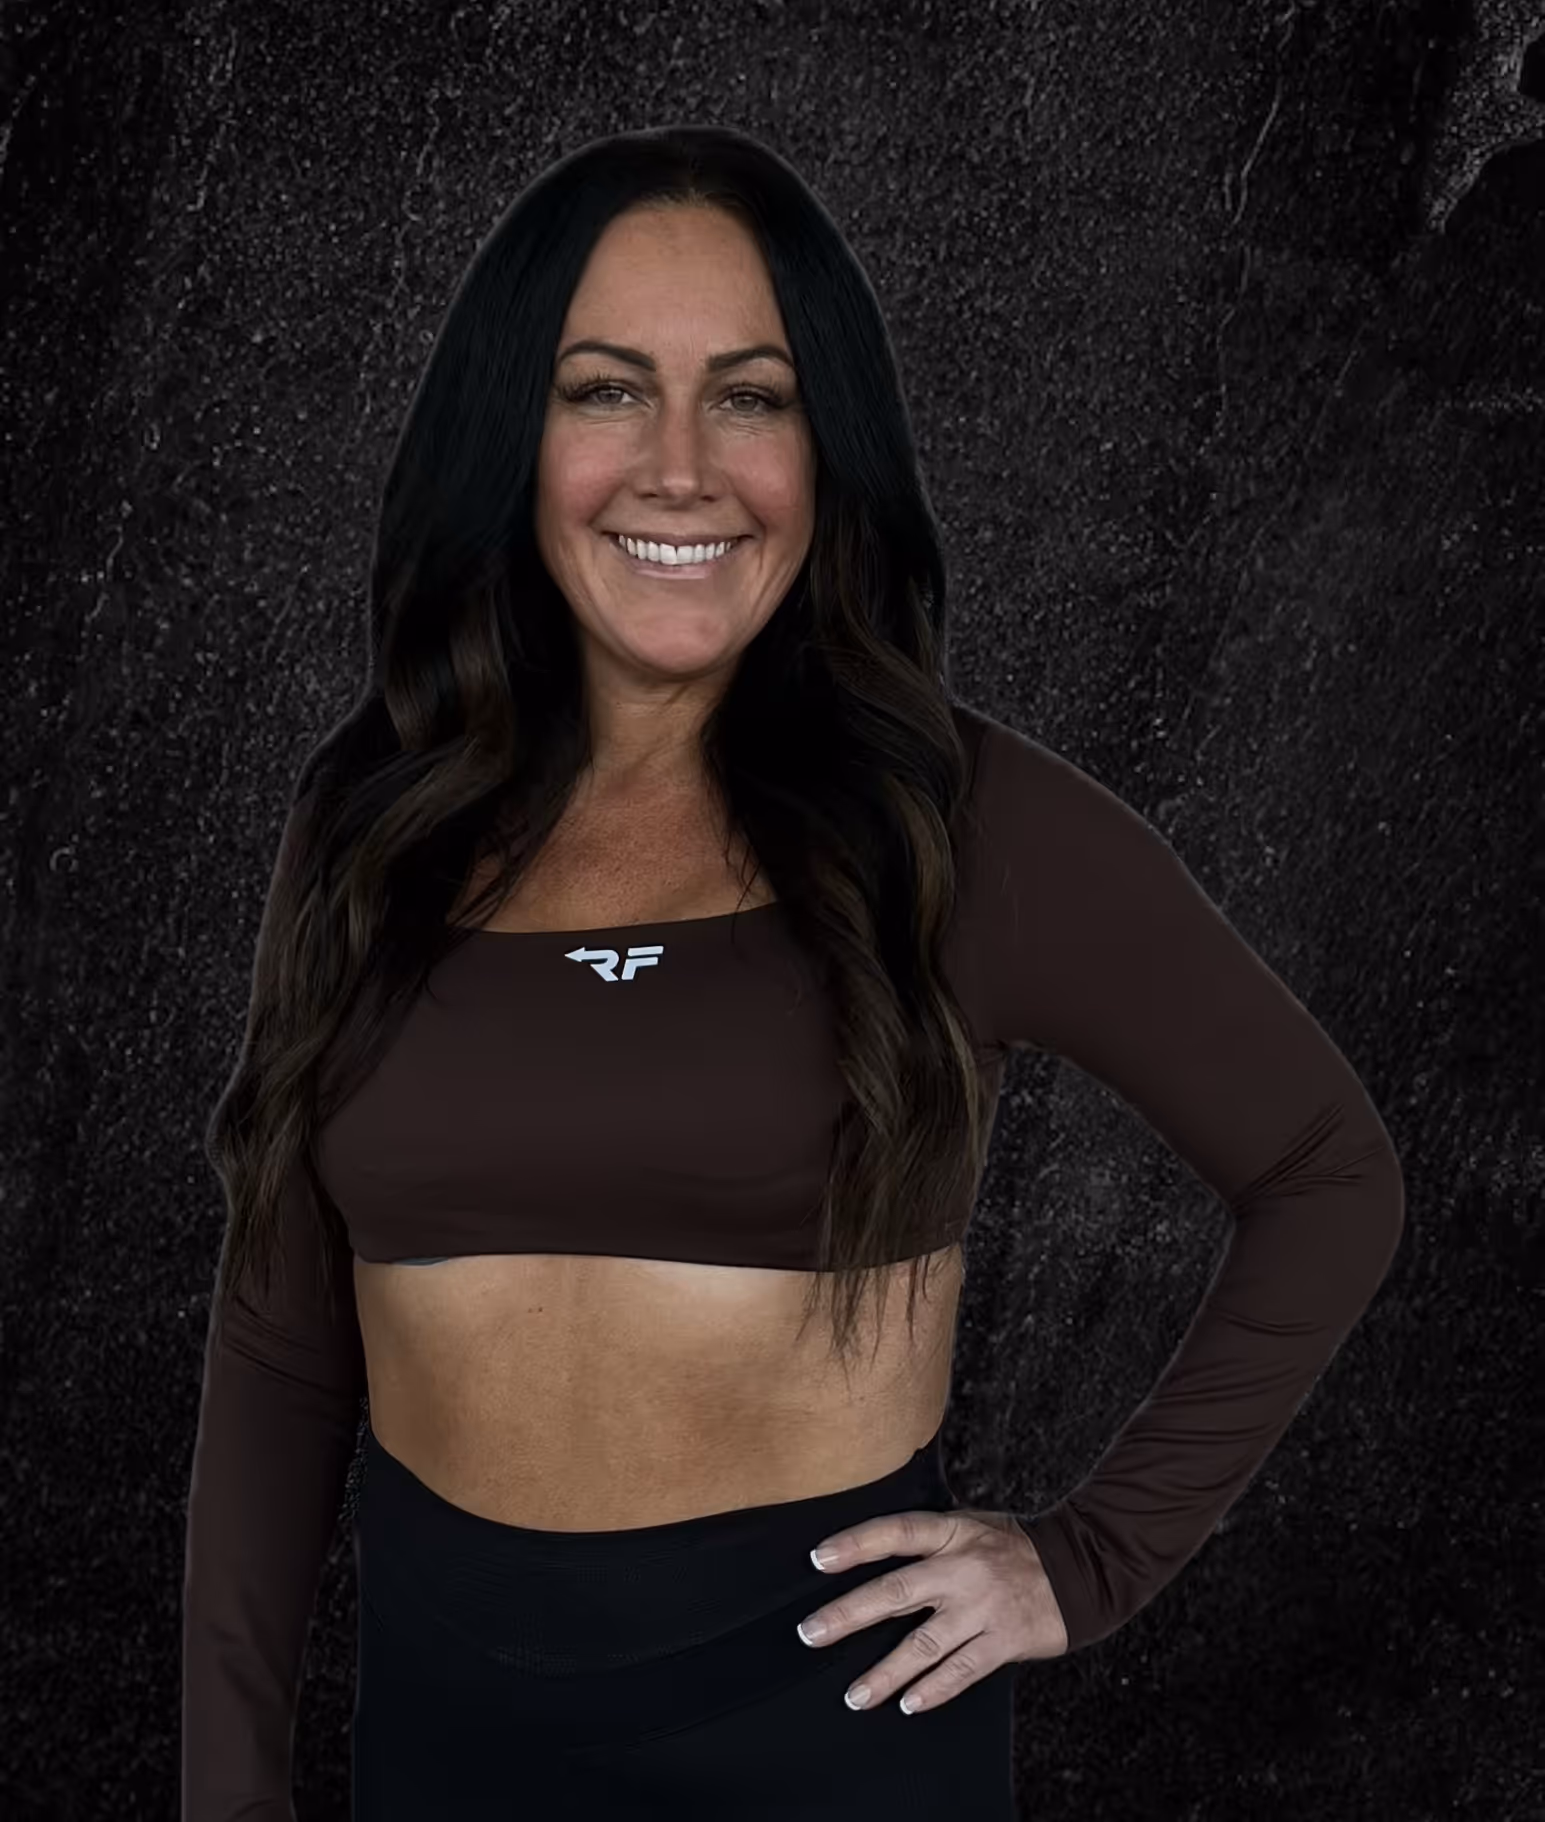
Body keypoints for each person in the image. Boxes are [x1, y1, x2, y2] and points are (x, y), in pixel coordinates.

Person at [180, 125, 1406, 1820]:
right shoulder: (373, 813)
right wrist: (229, 1787)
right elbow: (281, 1346)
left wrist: (1091, 1561)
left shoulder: (960, 821)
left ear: (829, 451)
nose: (680, 468)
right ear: (510, 436)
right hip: (445, 1746)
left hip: (824, 1740)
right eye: (606, 390)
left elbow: (1327, 1171)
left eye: (751, 397)